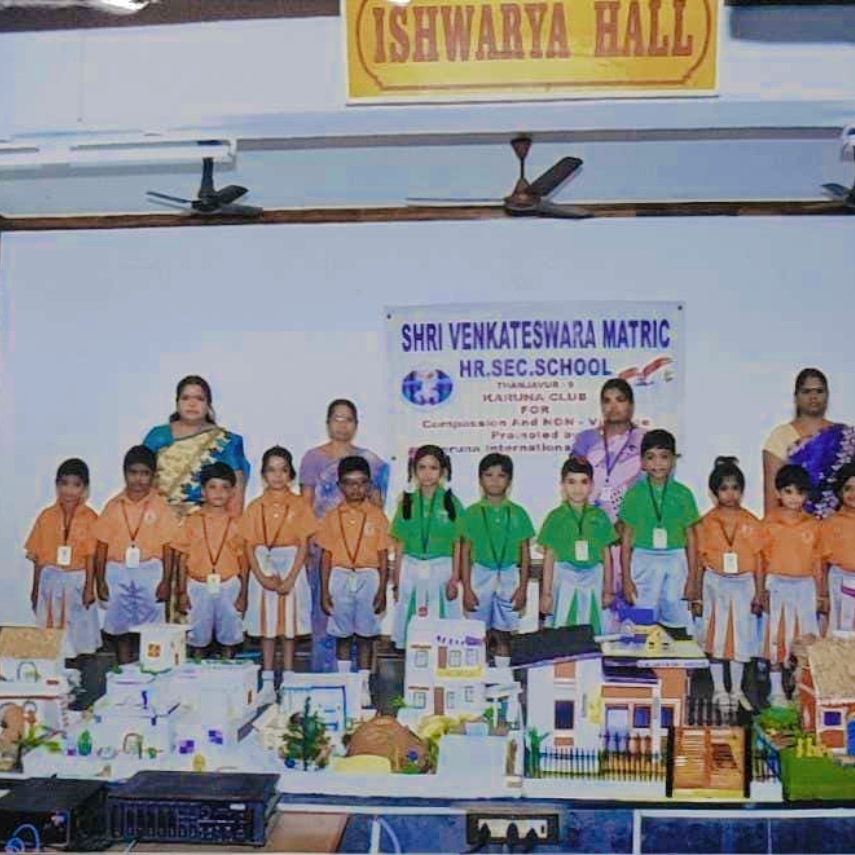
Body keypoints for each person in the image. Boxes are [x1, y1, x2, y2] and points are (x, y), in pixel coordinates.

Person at [299, 399, 389, 670]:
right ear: (328, 423)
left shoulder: (370, 461)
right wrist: (306, 546)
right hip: (326, 550)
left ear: (356, 424)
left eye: (348, 419)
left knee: (364, 626)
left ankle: (361, 680)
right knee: (326, 615)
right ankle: (327, 676)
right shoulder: (312, 458)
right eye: (337, 419)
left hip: (362, 553)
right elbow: (305, 506)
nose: (342, 425)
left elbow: (377, 504)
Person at [239, 446, 316, 690]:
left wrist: (291, 578)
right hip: (263, 564)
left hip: (292, 564)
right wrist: (261, 577)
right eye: (271, 470)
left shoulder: (299, 505)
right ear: (263, 475)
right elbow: (249, 545)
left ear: (290, 474)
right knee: (267, 626)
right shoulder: (255, 507)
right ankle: (268, 680)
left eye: (283, 470)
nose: (277, 475)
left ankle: (290, 677)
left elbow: (303, 545)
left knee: (289, 628)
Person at [93, 446, 176, 664]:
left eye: (145, 473)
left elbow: (168, 547)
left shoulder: (160, 507)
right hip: (117, 569)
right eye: (133, 472)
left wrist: (166, 580)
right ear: (125, 474)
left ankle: (151, 666)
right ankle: (124, 666)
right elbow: (101, 545)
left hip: (150, 568)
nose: (138, 479)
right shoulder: (113, 506)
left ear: (153, 476)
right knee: (120, 621)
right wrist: (100, 580)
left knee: (152, 623)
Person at [694, 457, 763, 709]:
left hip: (744, 583)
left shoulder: (752, 521)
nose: (730, 493)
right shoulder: (706, 522)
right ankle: (718, 689)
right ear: (714, 493)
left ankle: (736, 690)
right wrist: (697, 595)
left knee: (740, 638)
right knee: (716, 637)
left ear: (742, 491)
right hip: (715, 582)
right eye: (724, 488)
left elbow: (759, 559)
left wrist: (759, 593)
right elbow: (699, 561)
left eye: (735, 487)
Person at [619, 429, 700, 635]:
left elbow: (691, 538)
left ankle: (678, 653)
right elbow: (626, 539)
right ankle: (642, 653)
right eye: (650, 457)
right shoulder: (634, 494)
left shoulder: (683, 494)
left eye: (664, 457)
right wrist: (627, 580)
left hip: (676, 558)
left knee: (677, 614)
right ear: (642, 462)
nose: (658, 464)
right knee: (642, 617)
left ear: (673, 460)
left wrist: (692, 579)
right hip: (643, 558)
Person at [570, 379, 646, 597]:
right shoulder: (585, 440)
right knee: (597, 599)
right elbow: (573, 480)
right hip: (593, 527)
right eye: (607, 401)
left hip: (634, 530)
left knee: (633, 599)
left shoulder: (645, 440)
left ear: (631, 405)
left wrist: (628, 521)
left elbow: (654, 486)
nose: (613, 406)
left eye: (620, 400)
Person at [316, 456, 389, 673]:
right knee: (343, 634)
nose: (356, 489)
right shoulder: (332, 517)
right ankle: (345, 680)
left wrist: (382, 590)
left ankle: (363, 683)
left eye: (361, 483)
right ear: (340, 486)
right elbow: (325, 557)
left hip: (369, 575)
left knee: (366, 635)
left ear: (369, 485)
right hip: (340, 574)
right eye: (350, 483)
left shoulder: (377, 516)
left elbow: (383, 555)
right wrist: (324, 592)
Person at [461, 453, 534, 666]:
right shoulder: (471, 513)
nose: (494, 480)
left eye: (501, 476)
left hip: (509, 574)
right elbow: (465, 553)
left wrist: (522, 589)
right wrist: (467, 588)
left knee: (504, 633)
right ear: (480, 479)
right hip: (480, 574)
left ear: (509, 481)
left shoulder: (518, 513)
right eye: (488, 475)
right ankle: (477, 673)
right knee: (478, 632)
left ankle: (503, 675)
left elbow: (525, 555)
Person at [760, 464, 824, 706]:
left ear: (806, 495)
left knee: (806, 638)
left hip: (805, 586)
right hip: (777, 584)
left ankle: (801, 688)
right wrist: (761, 592)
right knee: (776, 637)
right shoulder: (768, 523)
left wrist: (821, 594)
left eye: (800, 492)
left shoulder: (813, 525)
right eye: (788, 492)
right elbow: (760, 560)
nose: (794, 498)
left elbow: (818, 562)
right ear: (778, 493)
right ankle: (775, 690)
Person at [143, 375, 250, 518]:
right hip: (159, 519)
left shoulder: (226, 441)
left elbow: (236, 492)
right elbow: (140, 479)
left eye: (199, 399)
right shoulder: (158, 435)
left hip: (206, 522)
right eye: (185, 398)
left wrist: (230, 527)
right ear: (177, 403)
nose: (192, 404)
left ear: (208, 405)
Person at [25, 458, 100, 661]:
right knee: (52, 629)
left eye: (76, 485)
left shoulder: (91, 518)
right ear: (57, 485)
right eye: (64, 484)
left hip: (77, 580)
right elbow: (38, 558)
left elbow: (91, 556)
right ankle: (53, 671)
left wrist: (89, 588)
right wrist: (35, 589)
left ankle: (77, 671)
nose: (69, 490)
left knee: (78, 633)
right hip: (50, 580)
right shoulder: (46, 516)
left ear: (85, 488)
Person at [390, 445, 465, 649]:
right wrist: (396, 581)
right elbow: (400, 544)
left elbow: (458, 543)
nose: (427, 473)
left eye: (433, 468)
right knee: (411, 617)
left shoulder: (451, 502)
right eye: (422, 467)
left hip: (442, 568)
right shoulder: (407, 502)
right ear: (414, 470)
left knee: (442, 620)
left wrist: (454, 578)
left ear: (443, 471)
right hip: (411, 567)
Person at [173, 463, 248, 659]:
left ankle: (228, 671)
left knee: (229, 637)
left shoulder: (237, 523)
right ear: (203, 491)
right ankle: (197, 673)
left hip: (228, 585)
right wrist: (182, 592)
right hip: (198, 585)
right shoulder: (191, 522)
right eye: (213, 487)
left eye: (224, 487)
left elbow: (244, 560)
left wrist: (243, 593)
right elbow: (182, 557)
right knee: (197, 638)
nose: (219, 493)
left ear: (232, 492)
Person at [538, 456, 618, 635]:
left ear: (591, 485)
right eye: (571, 482)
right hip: (565, 580)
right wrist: (546, 593)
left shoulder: (600, 516)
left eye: (583, 482)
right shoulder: (555, 517)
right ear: (563, 485)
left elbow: (606, 556)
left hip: (594, 579)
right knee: (564, 629)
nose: (577, 488)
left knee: (595, 629)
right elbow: (549, 558)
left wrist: (607, 590)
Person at [762, 368, 855, 518]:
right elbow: (772, 498)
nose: (813, 397)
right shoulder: (780, 436)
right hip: (794, 527)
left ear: (827, 395)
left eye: (819, 391)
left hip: (841, 526)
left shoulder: (845, 437)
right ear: (796, 397)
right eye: (806, 392)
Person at [820, 462, 855, 634]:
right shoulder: (831, 523)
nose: (853, 494)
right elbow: (822, 562)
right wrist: (823, 594)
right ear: (840, 491)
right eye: (848, 488)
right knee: (840, 629)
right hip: (839, 581)